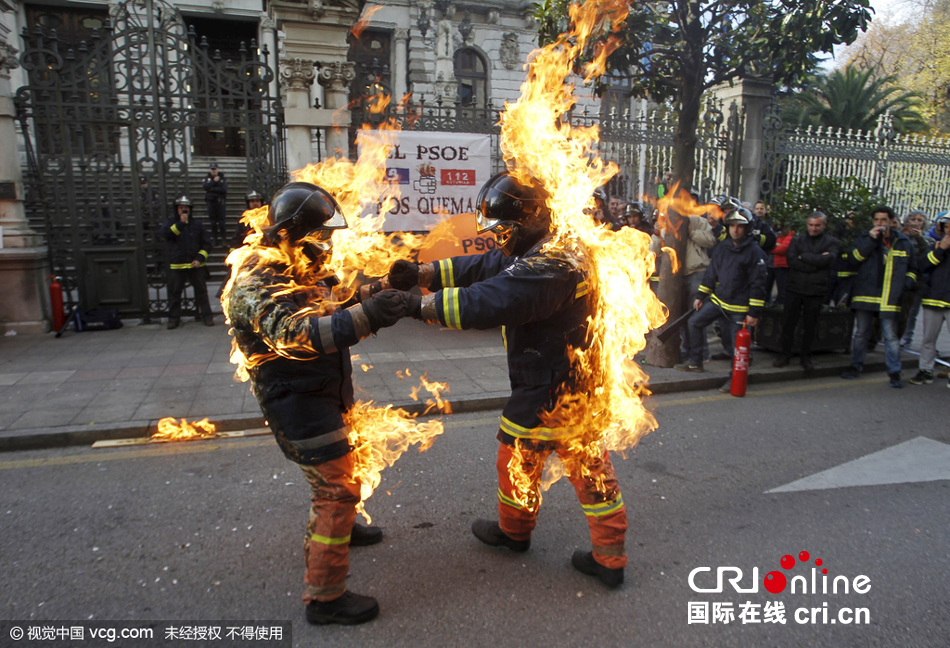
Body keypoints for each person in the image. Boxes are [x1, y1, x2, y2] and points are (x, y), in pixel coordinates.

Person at [387, 171, 629, 588]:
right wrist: (423, 274)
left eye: (503, 228)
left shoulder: (554, 263)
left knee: (520, 457)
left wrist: (414, 306)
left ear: (530, 221)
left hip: (551, 384)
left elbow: (489, 300)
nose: (497, 237)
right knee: (585, 467)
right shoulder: (539, 247)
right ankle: (608, 558)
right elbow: (484, 265)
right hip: (570, 379)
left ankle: (516, 534)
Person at [225, 181, 410, 625]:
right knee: (335, 487)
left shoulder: (300, 263)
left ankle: (344, 526)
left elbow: (333, 304)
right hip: (296, 400)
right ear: (293, 232)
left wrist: (382, 289)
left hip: (323, 391)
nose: (327, 244)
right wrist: (369, 318)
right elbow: (298, 334)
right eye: (319, 235)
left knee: (348, 468)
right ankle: (325, 598)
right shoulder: (256, 278)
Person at [676, 208, 768, 378]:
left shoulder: (755, 253)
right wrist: (700, 296)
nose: (735, 229)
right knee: (694, 322)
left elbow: (758, 285)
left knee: (737, 346)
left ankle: (735, 378)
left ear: (747, 228)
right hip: (719, 301)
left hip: (739, 308)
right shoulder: (723, 247)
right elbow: (711, 273)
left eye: (740, 226)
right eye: (732, 225)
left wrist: (754, 314)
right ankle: (696, 362)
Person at [840, 206, 919, 388]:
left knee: (890, 336)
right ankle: (855, 366)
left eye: (884, 220)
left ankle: (894, 372)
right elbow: (853, 259)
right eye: (877, 220)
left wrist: (906, 284)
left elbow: (914, 269)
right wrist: (871, 240)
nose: (880, 223)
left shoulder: (903, 242)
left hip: (889, 296)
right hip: (865, 294)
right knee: (861, 334)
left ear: (892, 221)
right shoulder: (864, 239)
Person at [650, 203, 717, 363]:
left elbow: (711, 240)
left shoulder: (697, 221)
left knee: (694, 315)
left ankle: (702, 354)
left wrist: (691, 232)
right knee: (681, 317)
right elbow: (654, 251)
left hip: (696, 273)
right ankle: (687, 351)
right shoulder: (664, 226)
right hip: (676, 277)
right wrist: (658, 233)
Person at [773, 212, 840, 370]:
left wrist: (805, 257)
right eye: (811, 225)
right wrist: (817, 262)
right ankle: (785, 354)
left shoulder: (832, 242)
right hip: (795, 287)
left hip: (816, 290)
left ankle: (805, 357)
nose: (814, 228)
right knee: (788, 323)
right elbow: (792, 261)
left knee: (810, 326)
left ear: (824, 225)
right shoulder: (797, 240)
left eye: (817, 225)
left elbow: (829, 260)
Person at [909, 213, 950, 386]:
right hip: (933, 299)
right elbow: (923, 265)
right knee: (927, 339)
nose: (949, 230)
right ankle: (925, 370)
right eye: (946, 227)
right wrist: (941, 250)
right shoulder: (936, 246)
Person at [162, 196, 213, 329]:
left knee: (202, 292)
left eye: (186, 208)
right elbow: (167, 235)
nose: (184, 210)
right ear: (176, 210)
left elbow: (207, 244)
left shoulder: (198, 225)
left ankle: (207, 317)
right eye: (181, 208)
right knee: (174, 293)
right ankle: (173, 319)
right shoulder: (170, 223)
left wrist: (199, 258)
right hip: (177, 265)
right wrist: (180, 223)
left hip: (196, 265)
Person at [899, 210, 933, 346]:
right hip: (897, 277)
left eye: (920, 220)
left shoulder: (928, 239)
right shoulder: (900, 236)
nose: (916, 223)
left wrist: (919, 238)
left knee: (911, 312)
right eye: (913, 219)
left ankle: (907, 338)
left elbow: (930, 255)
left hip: (916, 281)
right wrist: (902, 234)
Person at [202, 162, 228, 246]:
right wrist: (214, 182)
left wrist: (211, 189)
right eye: (212, 169)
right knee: (212, 222)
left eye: (215, 169)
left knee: (221, 222)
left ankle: (223, 239)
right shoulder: (207, 178)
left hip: (220, 202)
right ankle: (215, 239)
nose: (213, 171)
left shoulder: (222, 178)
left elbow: (224, 190)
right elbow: (205, 187)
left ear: (217, 169)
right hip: (210, 202)